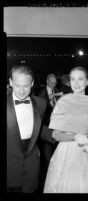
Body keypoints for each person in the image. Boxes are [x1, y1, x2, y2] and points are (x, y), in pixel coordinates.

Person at [43, 66, 88, 193]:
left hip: (87, 154)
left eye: (80, 79)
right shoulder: (62, 103)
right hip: (66, 153)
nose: (76, 83)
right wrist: (75, 137)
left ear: (87, 82)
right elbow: (55, 135)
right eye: (73, 79)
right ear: (69, 81)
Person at [7, 65, 47, 193]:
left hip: (32, 165)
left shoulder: (41, 103)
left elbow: (39, 129)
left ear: (33, 83)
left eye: (26, 86)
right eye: (17, 85)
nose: (22, 91)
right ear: (10, 82)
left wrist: (62, 135)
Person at [37, 74, 61, 184]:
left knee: (55, 147)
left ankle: (55, 172)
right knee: (47, 150)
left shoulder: (56, 90)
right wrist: (47, 99)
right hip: (46, 125)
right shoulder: (41, 92)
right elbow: (40, 110)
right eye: (51, 83)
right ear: (47, 81)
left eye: (54, 83)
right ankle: (48, 176)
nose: (53, 85)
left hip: (56, 124)